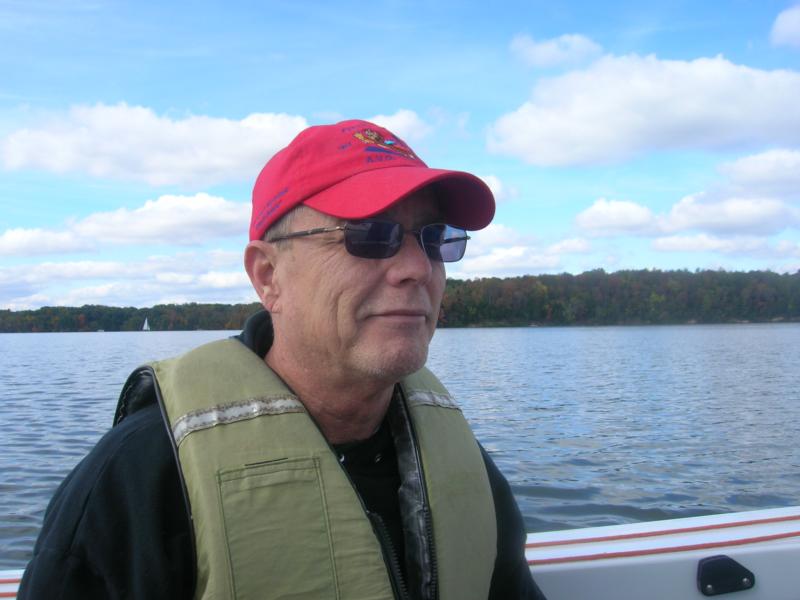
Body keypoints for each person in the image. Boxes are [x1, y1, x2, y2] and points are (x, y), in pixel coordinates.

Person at [19, 120, 546, 599]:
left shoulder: (457, 458)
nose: (416, 268)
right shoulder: (137, 481)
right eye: (369, 235)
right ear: (268, 276)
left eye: (434, 240)